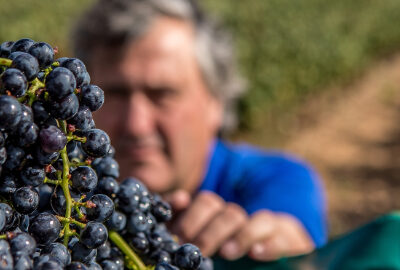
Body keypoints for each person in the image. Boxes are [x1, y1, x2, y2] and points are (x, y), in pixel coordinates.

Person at [72, 0, 327, 261]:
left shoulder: (273, 180)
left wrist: (281, 249)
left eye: (162, 94)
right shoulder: (64, 201)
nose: (136, 125)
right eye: (116, 94)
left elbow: (290, 237)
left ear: (216, 102)